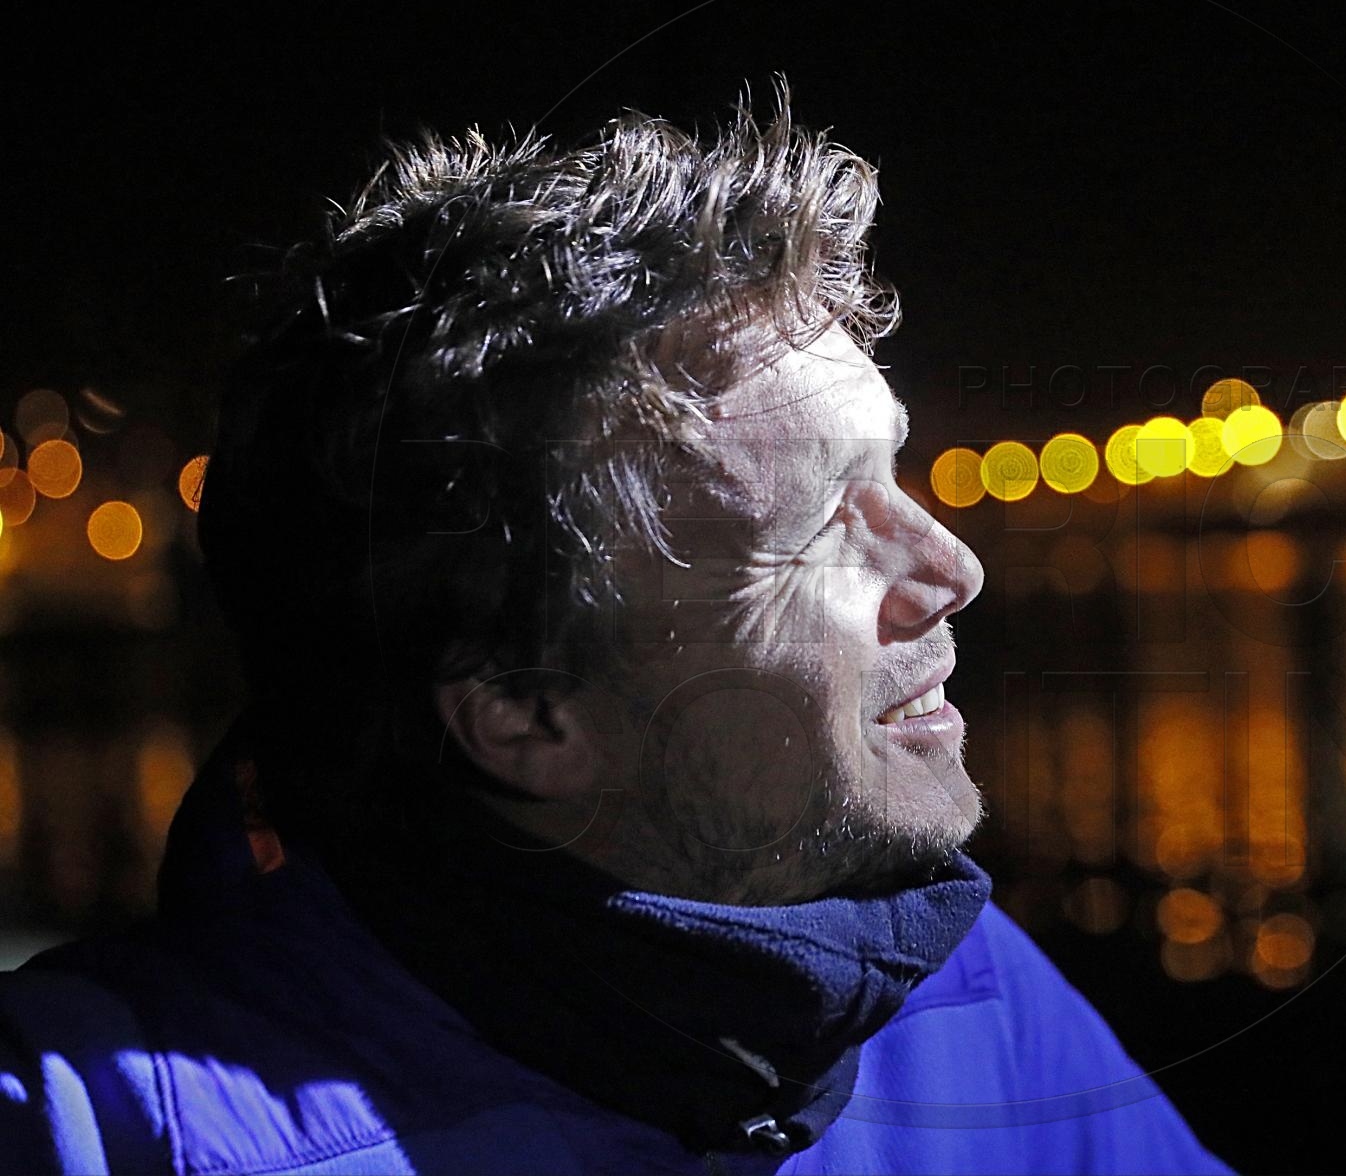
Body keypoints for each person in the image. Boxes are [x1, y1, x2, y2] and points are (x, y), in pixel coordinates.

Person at [0, 86, 1231, 1174]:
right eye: (819, 527)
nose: (952, 568)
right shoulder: (91, 1124)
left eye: (892, 473)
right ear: (527, 710)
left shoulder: (966, 995)